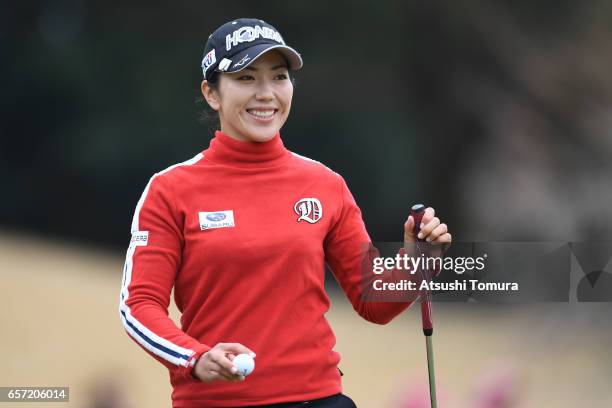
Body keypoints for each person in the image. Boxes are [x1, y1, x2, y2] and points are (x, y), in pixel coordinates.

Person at [119, 18, 451, 408]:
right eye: (246, 78)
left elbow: (372, 301)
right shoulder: (170, 190)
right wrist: (193, 357)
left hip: (320, 400)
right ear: (212, 93)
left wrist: (417, 260)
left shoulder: (325, 184)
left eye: (278, 77)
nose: (266, 94)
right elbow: (138, 305)